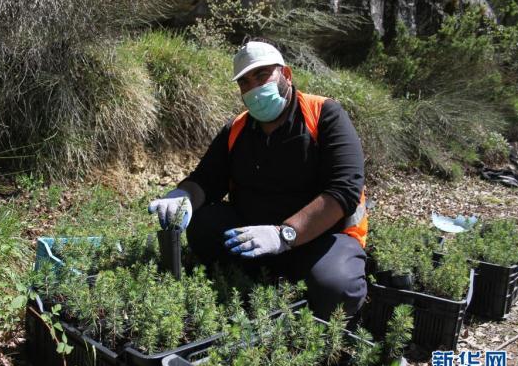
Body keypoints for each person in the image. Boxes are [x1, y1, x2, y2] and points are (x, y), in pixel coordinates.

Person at [148, 40, 368, 320]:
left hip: (320, 237)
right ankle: (259, 284)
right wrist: (184, 196)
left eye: (262, 75)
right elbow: (205, 179)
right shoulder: (237, 128)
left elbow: (344, 190)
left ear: (285, 75)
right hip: (256, 236)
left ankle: (338, 317)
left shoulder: (324, 114)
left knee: (334, 285)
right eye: (245, 82)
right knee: (203, 224)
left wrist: (285, 234)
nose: (254, 87)